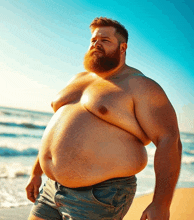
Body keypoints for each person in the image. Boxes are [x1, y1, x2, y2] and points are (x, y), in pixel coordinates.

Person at [26, 17, 182, 220]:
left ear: (122, 47)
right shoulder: (78, 79)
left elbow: (169, 140)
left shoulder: (140, 85)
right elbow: (57, 128)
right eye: (93, 40)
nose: (96, 44)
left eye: (105, 40)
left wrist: (161, 204)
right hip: (50, 189)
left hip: (100, 195)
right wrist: (36, 172)